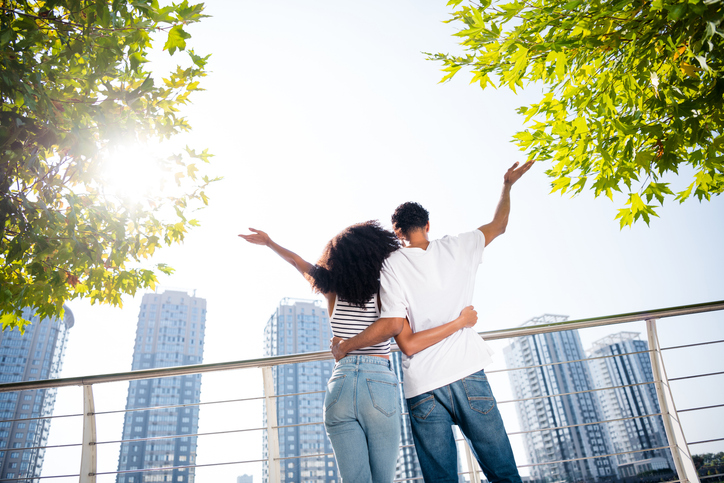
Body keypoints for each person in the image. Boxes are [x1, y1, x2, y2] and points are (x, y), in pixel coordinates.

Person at [330, 161, 534, 483]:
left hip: (423, 389)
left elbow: (405, 340)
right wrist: (507, 186)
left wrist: (345, 345)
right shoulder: (460, 246)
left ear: (397, 233)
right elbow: (499, 224)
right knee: (504, 473)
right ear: (428, 224)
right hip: (469, 373)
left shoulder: (391, 265)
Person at [239, 221, 479, 483]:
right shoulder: (386, 293)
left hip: (339, 385)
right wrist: (459, 321)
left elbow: (298, 262)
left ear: (336, 258)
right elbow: (396, 327)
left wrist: (270, 242)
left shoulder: (331, 291)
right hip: (377, 383)